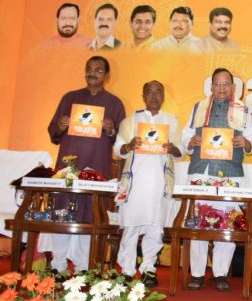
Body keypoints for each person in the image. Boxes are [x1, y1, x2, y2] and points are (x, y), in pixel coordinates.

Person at [44, 55, 126, 273]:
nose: (93, 73)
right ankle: (58, 265)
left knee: (89, 214)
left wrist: (111, 130)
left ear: (107, 76)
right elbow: (54, 132)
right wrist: (61, 126)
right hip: (68, 166)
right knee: (62, 211)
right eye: (89, 69)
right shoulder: (70, 98)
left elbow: (122, 142)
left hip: (96, 166)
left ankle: (82, 268)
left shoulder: (115, 104)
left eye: (98, 70)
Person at [182, 68, 252, 291]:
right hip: (202, 171)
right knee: (198, 225)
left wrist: (245, 143)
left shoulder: (242, 110)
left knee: (227, 223)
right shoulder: (198, 107)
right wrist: (191, 140)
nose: (222, 88)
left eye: (226, 84)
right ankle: (196, 273)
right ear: (211, 87)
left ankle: (221, 273)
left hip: (230, 172)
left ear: (233, 88)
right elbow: (185, 135)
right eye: (218, 84)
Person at [114, 80, 182, 286]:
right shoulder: (130, 121)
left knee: (155, 227)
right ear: (143, 96)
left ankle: (149, 268)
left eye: (158, 92)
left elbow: (181, 152)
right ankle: (126, 269)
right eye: (149, 92)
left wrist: (172, 149)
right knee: (131, 226)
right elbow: (118, 150)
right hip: (135, 182)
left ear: (163, 96)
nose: (154, 96)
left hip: (160, 183)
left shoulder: (172, 121)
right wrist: (128, 145)